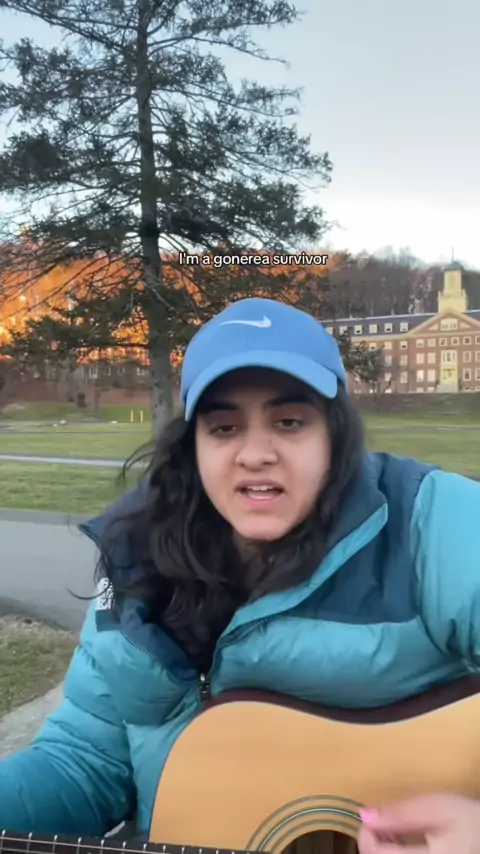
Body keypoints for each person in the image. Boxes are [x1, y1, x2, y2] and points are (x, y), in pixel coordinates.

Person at [0, 296, 479, 854]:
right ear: (193, 447)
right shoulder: (138, 558)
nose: (255, 454)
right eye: (224, 427)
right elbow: (83, 761)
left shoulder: (434, 520)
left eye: (289, 422)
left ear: (336, 434)